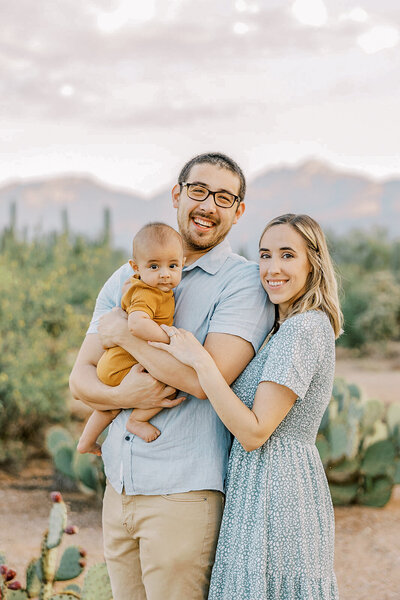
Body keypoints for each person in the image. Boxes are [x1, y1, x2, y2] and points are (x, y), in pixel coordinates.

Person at [69, 152, 275, 600]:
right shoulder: (127, 275)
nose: (208, 205)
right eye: (199, 190)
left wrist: (126, 333)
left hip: (183, 493)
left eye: (224, 197)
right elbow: (79, 379)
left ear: (238, 211)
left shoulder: (243, 283)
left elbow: (205, 381)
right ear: (177, 195)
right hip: (118, 486)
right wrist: (122, 392)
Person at [149, 213, 343, 599]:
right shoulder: (283, 327)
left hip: (279, 489)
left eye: (287, 255)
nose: (272, 268)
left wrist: (200, 360)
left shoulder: (303, 329)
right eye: (265, 255)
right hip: (258, 485)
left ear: (313, 263)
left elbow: (255, 432)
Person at [77, 222, 185, 454]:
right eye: (154, 266)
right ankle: (137, 421)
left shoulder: (151, 288)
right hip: (123, 363)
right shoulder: (147, 293)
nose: (165, 274)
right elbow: (137, 324)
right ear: (136, 267)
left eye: (173, 265)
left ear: (182, 263)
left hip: (114, 361)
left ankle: (85, 442)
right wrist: (169, 338)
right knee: (167, 384)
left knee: (109, 408)